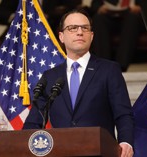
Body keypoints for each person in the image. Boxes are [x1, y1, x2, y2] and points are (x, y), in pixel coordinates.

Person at [23, 9, 134, 157]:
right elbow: (34, 122)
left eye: (85, 28)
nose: (80, 32)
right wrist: (23, 144)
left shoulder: (109, 70)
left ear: (92, 36)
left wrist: (126, 142)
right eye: (72, 28)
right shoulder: (50, 77)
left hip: (100, 152)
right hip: (60, 153)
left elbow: (123, 114)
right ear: (61, 36)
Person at [90, 0, 147, 72]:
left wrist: (140, 7)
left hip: (131, 16)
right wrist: (99, 8)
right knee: (98, 18)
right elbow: (94, 5)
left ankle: (120, 67)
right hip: (108, 17)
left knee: (132, 18)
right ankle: (103, 66)